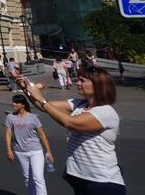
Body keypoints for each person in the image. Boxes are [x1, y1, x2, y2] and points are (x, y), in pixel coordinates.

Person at [17, 66, 125, 194]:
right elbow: (44, 107)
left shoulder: (105, 112)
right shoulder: (79, 104)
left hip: (103, 182)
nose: (77, 83)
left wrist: (41, 97)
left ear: (98, 85)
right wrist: (26, 89)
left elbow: (70, 122)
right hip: (80, 178)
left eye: (82, 80)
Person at [4, 94, 54, 195]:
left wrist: (48, 151)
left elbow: (42, 135)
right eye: (13, 102)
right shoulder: (10, 117)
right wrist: (9, 149)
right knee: (27, 177)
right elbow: (8, 134)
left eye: (16, 102)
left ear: (22, 105)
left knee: (38, 177)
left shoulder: (33, 117)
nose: (13, 104)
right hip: (20, 151)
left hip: (35, 151)